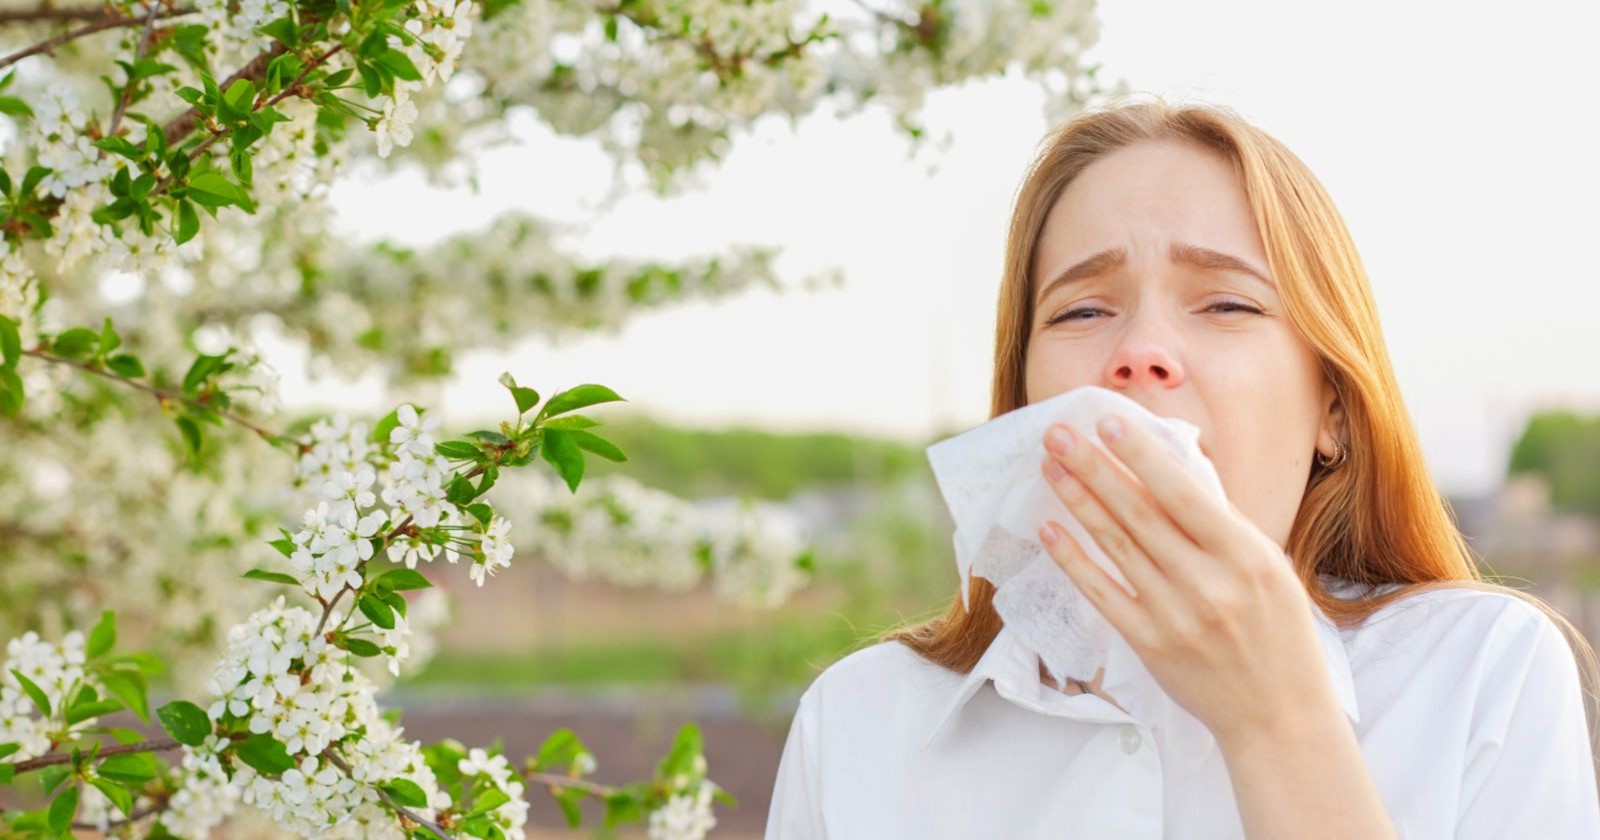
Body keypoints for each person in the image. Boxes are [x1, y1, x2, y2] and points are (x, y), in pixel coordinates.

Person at [761, 96, 1600, 839]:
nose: (1141, 354)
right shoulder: (857, 722)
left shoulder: (1485, 672)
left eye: (1227, 304)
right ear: (1021, 403)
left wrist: (1277, 723)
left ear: (1332, 410)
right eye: (1083, 309)